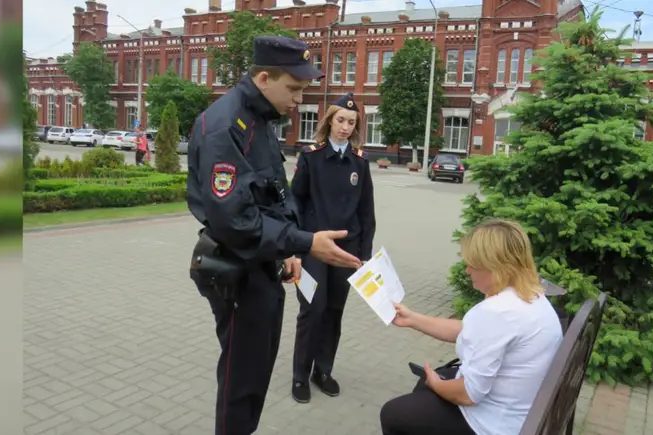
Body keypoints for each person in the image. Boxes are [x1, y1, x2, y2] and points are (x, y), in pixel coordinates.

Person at [185, 35, 363, 435]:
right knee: (241, 378)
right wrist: (304, 242)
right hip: (236, 269)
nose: (300, 99)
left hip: (262, 265)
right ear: (264, 77)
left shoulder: (259, 119)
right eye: (295, 88)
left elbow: (274, 193)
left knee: (257, 371)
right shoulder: (225, 126)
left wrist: (289, 247)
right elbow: (235, 220)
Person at [379, 219, 563, 435]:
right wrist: (413, 319)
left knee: (393, 414)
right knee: (424, 390)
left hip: (495, 424)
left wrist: (435, 382)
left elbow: (468, 394)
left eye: (472, 264)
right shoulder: (531, 294)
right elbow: (470, 330)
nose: (467, 270)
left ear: (495, 267)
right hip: (524, 410)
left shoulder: (496, 312)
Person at [289, 92, 376, 403]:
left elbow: (367, 212)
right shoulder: (311, 157)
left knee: (334, 311)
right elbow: (294, 199)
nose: (345, 127)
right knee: (312, 310)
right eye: (340, 120)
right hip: (313, 249)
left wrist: (364, 256)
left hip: (347, 251)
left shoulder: (360, 163)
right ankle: (300, 374)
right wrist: (298, 243)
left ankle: (322, 370)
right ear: (329, 121)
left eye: (351, 123)